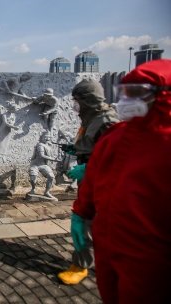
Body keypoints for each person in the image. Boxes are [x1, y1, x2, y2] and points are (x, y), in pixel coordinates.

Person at [71, 59, 171, 303]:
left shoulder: (109, 123)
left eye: (135, 93)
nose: (126, 100)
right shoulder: (117, 135)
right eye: (124, 92)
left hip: (152, 253)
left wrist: (86, 167)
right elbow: (99, 168)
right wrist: (80, 211)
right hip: (112, 236)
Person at [58, 79, 120, 285]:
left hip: (97, 178)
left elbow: (114, 157)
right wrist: (75, 148)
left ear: (89, 100)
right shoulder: (90, 117)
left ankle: (81, 265)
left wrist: (87, 168)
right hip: (88, 176)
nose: (75, 106)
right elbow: (93, 144)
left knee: (86, 221)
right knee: (85, 220)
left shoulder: (107, 121)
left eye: (77, 101)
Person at [27, 131, 59, 199]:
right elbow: (41, 155)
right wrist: (52, 159)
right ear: (41, 137)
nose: (47, 138)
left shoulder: (48, 146)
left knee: (51, 177)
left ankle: (47, 192)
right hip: (35, 164)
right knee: (33, 179)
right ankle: (33, 189)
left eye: (49, 137)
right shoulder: (40, 145)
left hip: (43, 165)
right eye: (45, 137)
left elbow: (51, 155)